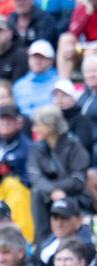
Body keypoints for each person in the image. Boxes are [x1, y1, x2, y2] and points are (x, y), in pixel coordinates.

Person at [27, 105, 90, 245]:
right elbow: (34, 176)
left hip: (72, 194)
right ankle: (41, 243)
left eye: (38, 125)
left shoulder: (73, 145)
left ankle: (77, 243)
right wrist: (53, 190)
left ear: (50, 126)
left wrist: (58, 189)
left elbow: (78, 178)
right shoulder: (36, 147)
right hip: (48, 195)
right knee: (36, 192)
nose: (34, 129)